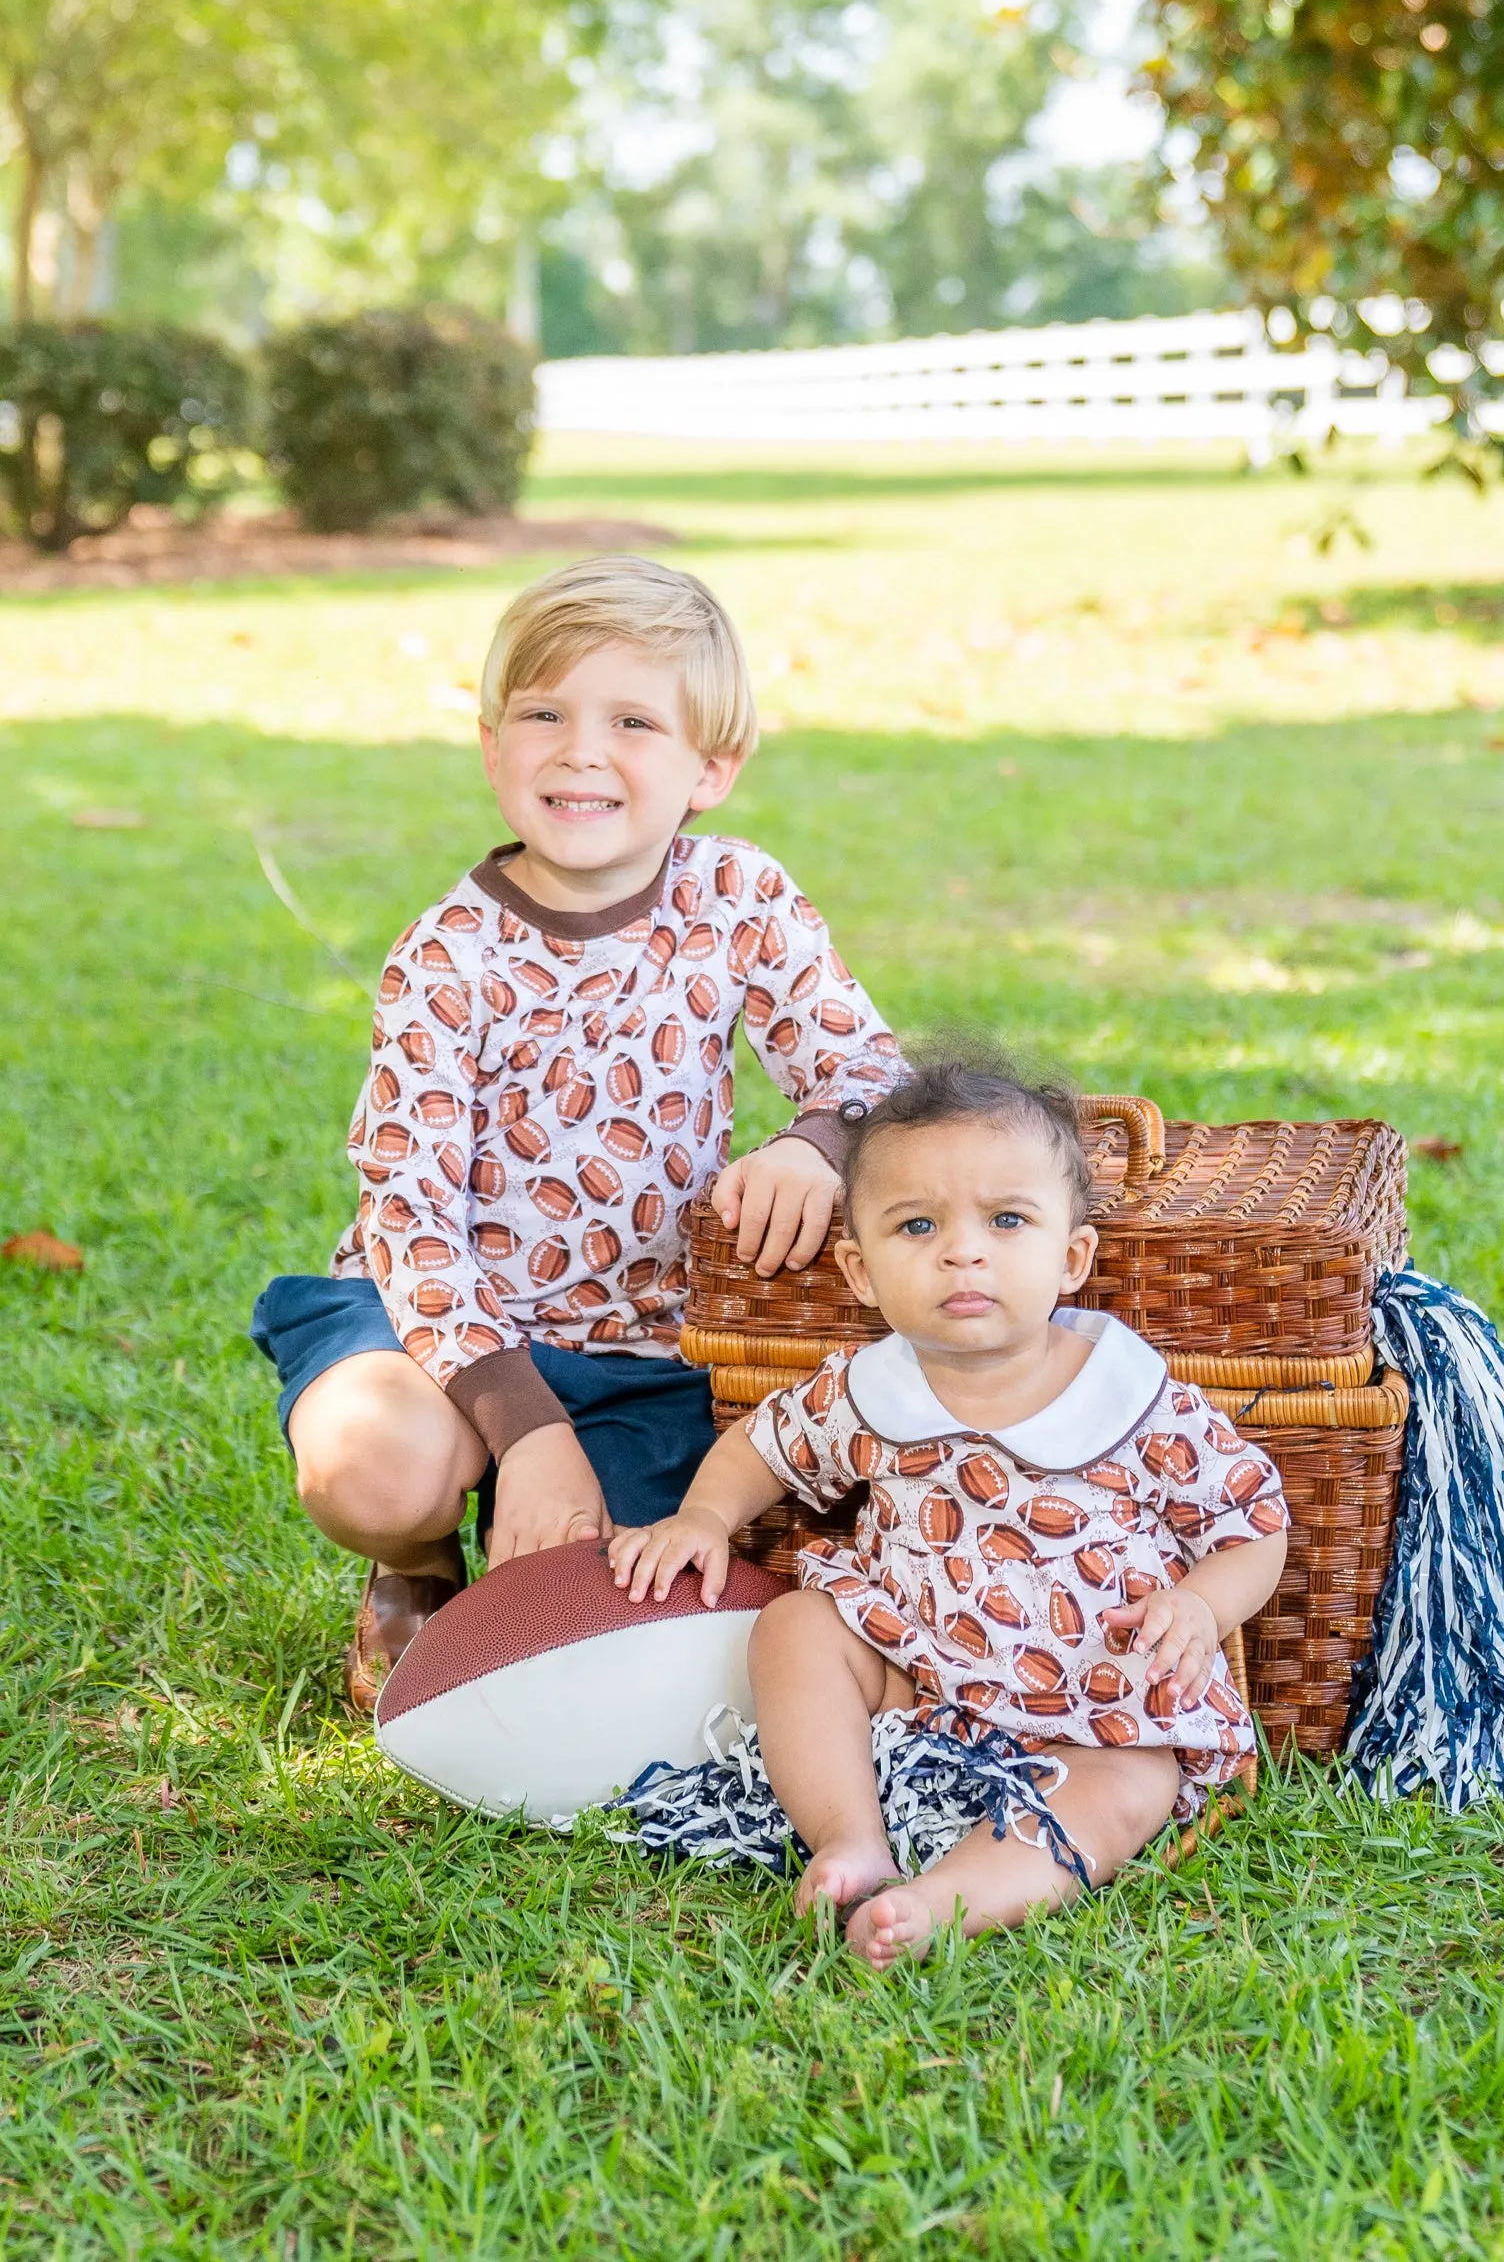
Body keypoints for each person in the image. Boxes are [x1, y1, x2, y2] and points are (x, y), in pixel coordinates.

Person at [250, 556, 904, 1711]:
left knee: (636, 1605)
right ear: (493, 744)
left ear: (712, 767)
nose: (581, 749)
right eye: (542, 712)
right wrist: (525, 1431)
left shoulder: (736, 899)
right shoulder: (448, 954)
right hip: (441, 1329)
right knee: (382, 1469)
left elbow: (868, 1069)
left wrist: (812, 1142)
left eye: (633, 720)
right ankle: (415, 1560)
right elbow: (409, 1215)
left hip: (641, 1342)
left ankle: (533, 1515)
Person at [609, 1060, 1290, 1967]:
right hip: (914, 1668)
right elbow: (763, 1445)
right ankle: (850, 1837)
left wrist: (1202, 1605)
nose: (961, 1252)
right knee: (794, 1628)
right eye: (917, 1226)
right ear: (859, 1269)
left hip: (1092, 1701)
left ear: (1071, 1256)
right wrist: (702, 1516)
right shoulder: (869, 1391)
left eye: (1007, 1221)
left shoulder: (1136, 1399)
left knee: (1131, 1790)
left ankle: (947, 1901)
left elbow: (1252, 1522)